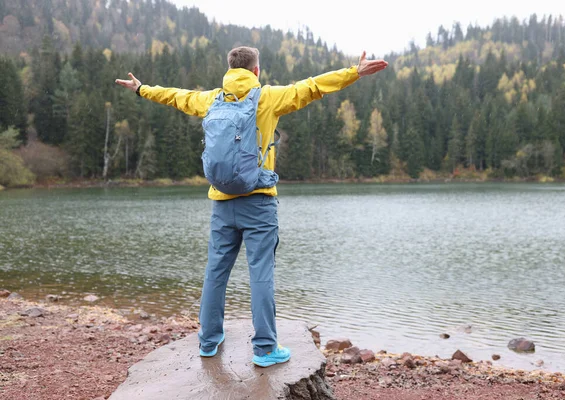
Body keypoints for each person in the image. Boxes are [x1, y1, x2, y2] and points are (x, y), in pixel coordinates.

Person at [115, 46, 388, 367]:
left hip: (222, 202)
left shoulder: (211, 99)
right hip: (259, 201)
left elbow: (177, 97)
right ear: (256, 71)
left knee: (216, 273)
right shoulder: (267, 97)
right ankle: (264, 349)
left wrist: (143, 89)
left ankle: (208, 341)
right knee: (261, 273)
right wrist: (353, 73)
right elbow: (313, 86)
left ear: (229, 69)